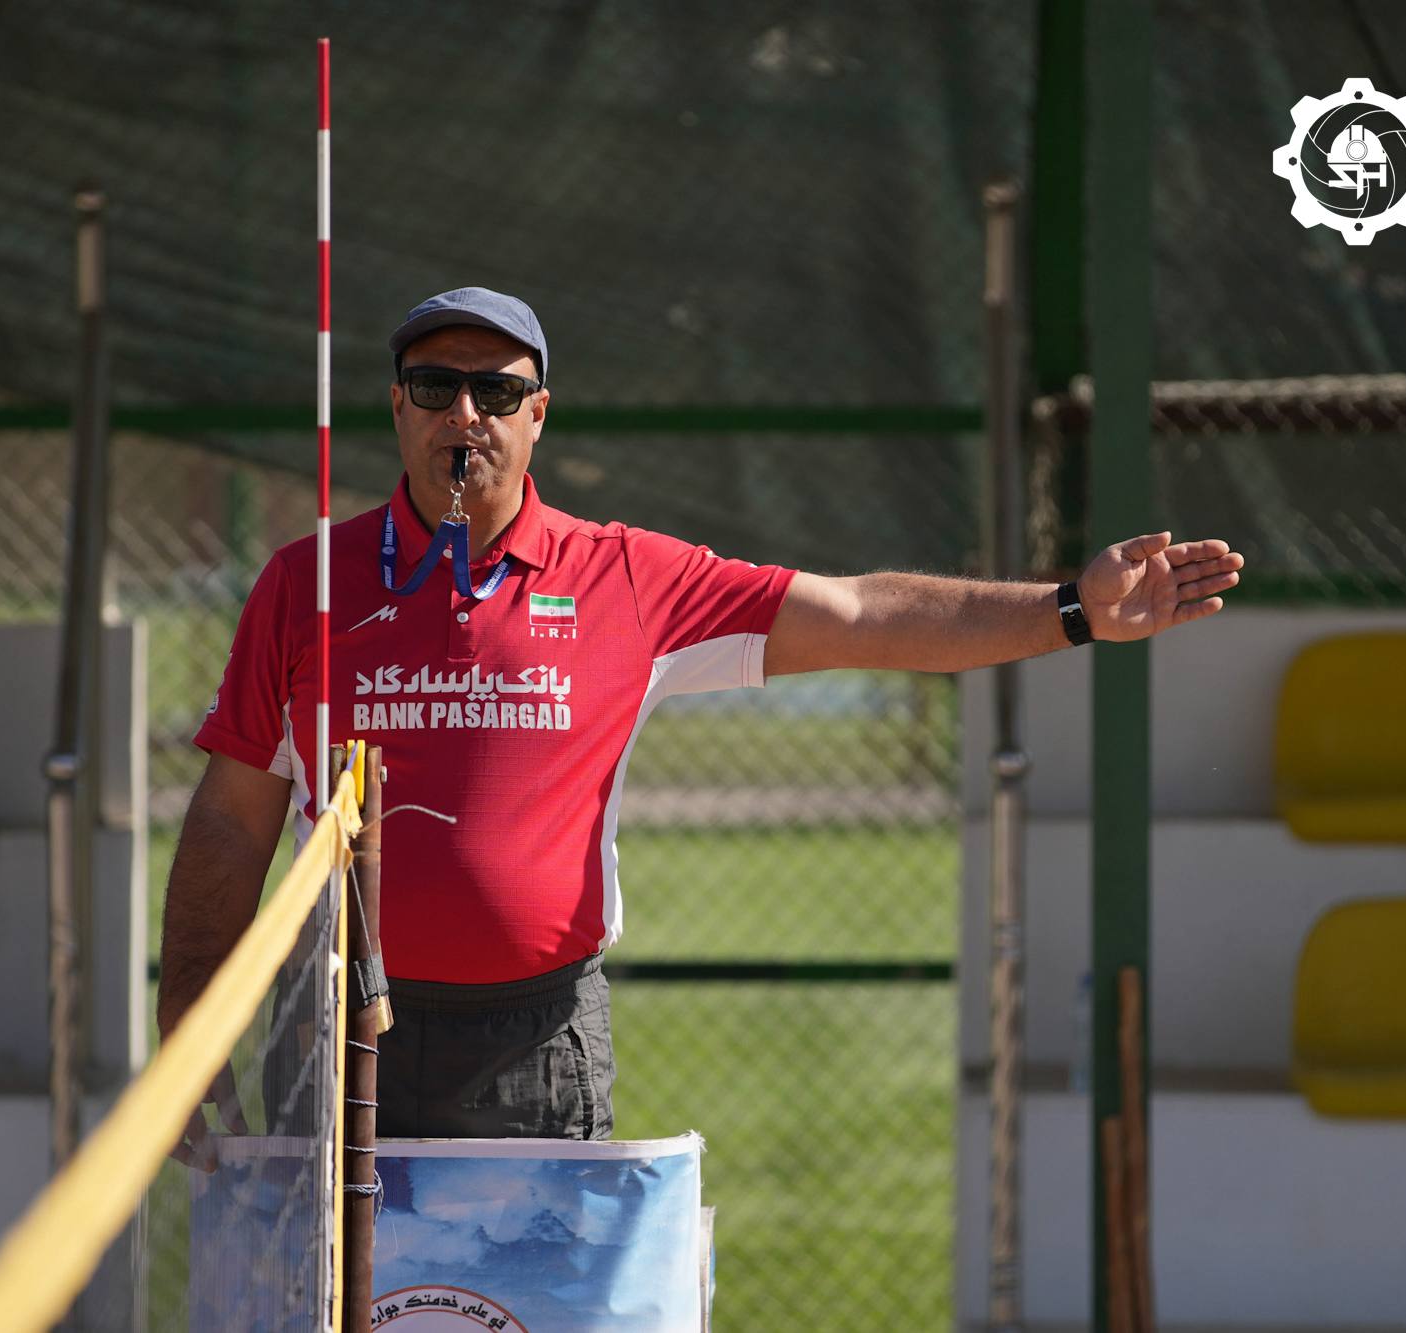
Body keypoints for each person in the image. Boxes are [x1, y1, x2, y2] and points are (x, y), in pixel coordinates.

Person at [160, 287, 1242, 1143]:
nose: (465, 414)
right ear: (397, 406)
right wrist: (188, 1042)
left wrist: (1071, 609)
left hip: (533, 1041)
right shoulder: (304, 583)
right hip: (336, 1021)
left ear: (539, 415)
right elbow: (228, 822)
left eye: (496, 390)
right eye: (435, 386)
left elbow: (857, 613)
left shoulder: (626, 576)